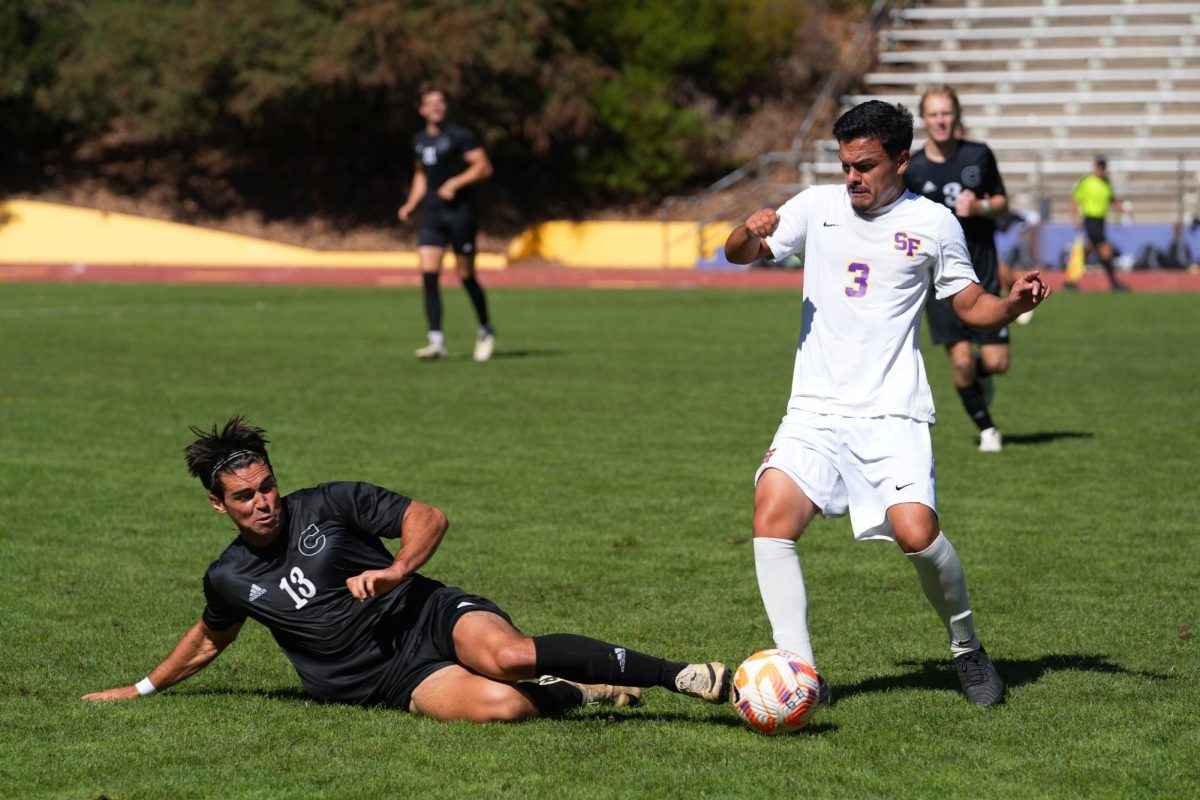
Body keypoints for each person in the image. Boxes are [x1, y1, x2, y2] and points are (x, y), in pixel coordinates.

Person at [723, 100, 1050, 710]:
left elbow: (971, 306)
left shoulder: (933, 223)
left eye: (866, 166)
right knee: (771, 516)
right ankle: (799, 676)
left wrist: (1012, 305)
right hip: (814, 409)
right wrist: (751, 228)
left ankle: (966, 646)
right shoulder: (816, 207)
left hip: (891, 412)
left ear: (901, 161)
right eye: (846, 165)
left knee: (917, 534)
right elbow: (737, 253)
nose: (853, 178)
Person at [82, 417, 730, 722]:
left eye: (267, 486)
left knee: (506, 655)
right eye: (245, 496)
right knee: (503, 706)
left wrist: (396, 570)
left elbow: (429, 516)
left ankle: (686, 677)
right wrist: (140, 689)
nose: (263, 501)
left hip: (426, 614)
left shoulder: (330, 502)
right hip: (383, 680)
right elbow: (205, 640)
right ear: (217, 504)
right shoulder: (227, 578)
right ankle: (574, 691)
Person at [905, 85, 1011, 452]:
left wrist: (981, 208)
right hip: (939, 279)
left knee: (997, 362)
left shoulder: (979, 155)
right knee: (961, 358)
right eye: (933, 114)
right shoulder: (913, 169)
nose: (940, 121)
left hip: (981, 270)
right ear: (924, 119)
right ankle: (987, 429)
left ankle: (982, 377)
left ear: (957, 116)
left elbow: (1001, 200)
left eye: (946, 113)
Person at [397, 85, 497, 362]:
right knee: (429, 274)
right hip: (432, 214)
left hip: (460, 213)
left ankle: (485, 328)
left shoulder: (460, 136)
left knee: (465, 275)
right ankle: (436, 340)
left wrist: (455, 182)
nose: (437, 107)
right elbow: (421, 176)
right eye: (431, 103)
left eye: (441, 102)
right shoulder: (418, 140)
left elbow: (484, 167)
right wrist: (411, 203)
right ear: (422, 110)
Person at [1069, 155, 1130, 292]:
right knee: (1105, 249)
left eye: (1103, 167)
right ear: (1095, 167)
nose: (1101, 170)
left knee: (1088, 251)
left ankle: (1070, 280)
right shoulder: (1087, 181)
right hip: (1090, 220)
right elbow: (1074, 198)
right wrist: (1076, 217)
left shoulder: (1106, 183)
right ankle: (1114, 283)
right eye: (1099, 167)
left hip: (1101, 221)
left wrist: (1122, 209)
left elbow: (1112, 199)